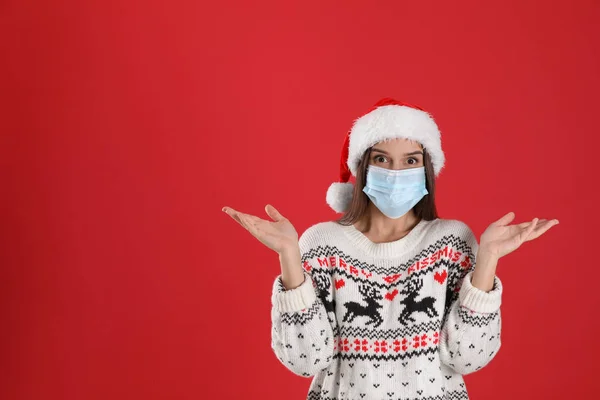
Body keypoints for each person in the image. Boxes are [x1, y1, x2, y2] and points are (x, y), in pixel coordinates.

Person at [222, 98, 558, 400]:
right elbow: (305, 361)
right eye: (382, 159)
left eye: (410, 160)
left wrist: (487, 260)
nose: (396, 173)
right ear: (363, 168)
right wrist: (289, 256)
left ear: (426, 170)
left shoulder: (452, 242)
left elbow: (466, 358)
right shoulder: (321, 244)